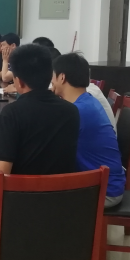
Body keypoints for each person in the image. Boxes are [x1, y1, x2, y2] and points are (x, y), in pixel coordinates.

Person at [0, 44, 80, 244]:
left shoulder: (12, 114)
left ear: (18, 81)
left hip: (18, 218)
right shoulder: (72, 111)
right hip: (59, 214)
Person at [52, 53, 125, 208]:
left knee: (38, 196)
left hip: (104, 192)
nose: (51, 82)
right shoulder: (88, 100)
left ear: (62, 77)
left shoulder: (78, 111)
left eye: (53, 76)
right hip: (106, 183)